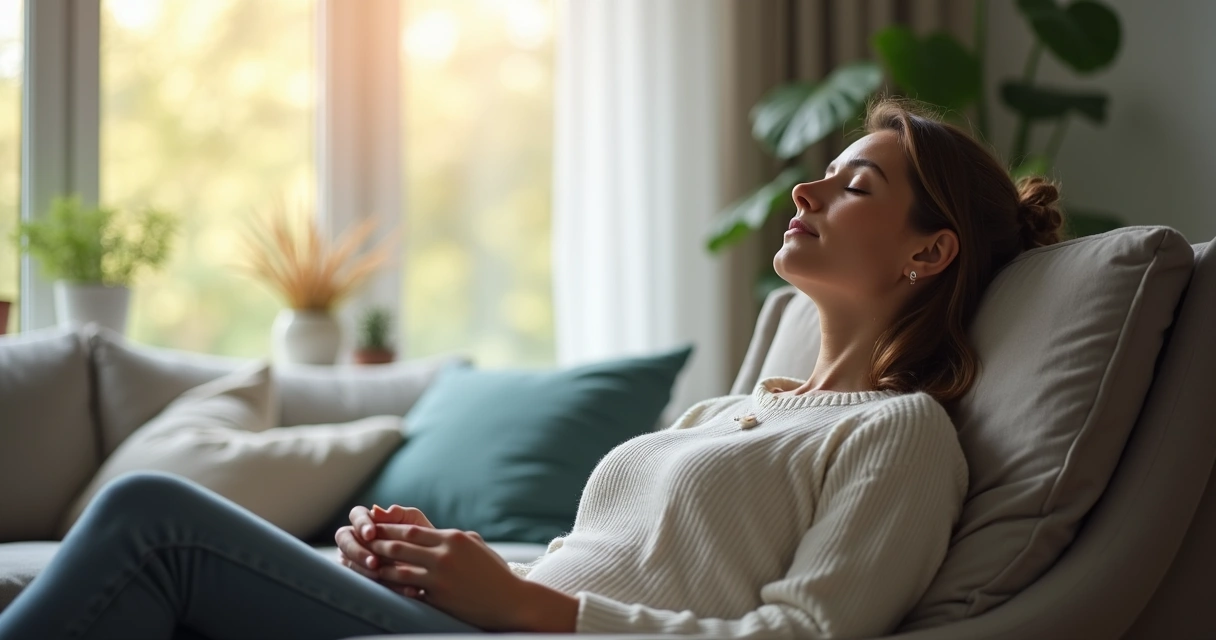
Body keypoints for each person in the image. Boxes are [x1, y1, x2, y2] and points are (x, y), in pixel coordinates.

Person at [0, 98, 1063, 640]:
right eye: (819, 175)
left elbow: (797, 635)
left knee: (156, 521)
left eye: (855, 185)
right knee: (165, 543)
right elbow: (592, 563)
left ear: (929, 252)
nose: (804, 195)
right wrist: (443, 568)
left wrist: (517, 602)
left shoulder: (897, 434)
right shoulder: (734, 408)